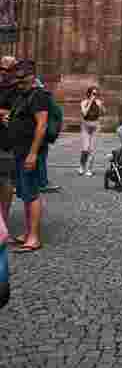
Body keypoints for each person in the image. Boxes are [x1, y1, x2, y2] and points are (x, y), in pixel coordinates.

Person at [4, 60, 49, 253]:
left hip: (29, 152)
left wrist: (32, 153)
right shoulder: (23, 95)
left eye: (22, 77)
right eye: (17, 77)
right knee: (25, 194)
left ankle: (34, 237)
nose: (18, 81)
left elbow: (42, 125)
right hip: (19, 151)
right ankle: (27, 232)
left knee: (32, 194)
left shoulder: (38, 95)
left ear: (32, 76)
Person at [0, 56, 18, 239]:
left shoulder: (17, 89)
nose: (3, 73)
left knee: (5, 181)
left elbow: (16, 113)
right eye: (1, 69)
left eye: (8, 69)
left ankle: (3, 224)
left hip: (6, 141)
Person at [79, 86, 104, 177]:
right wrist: (90, 102)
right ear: (89, 94)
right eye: (93, 94)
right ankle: (82, 166)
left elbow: (103, 112)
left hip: (95, 126)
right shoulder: (84, 102)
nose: (95, 96)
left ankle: (89, 169)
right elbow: (84, 113)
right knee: (85, 149)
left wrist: (101, 107)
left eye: (96, 94)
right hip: (86, 126)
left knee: (92, 149)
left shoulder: (98, 102)